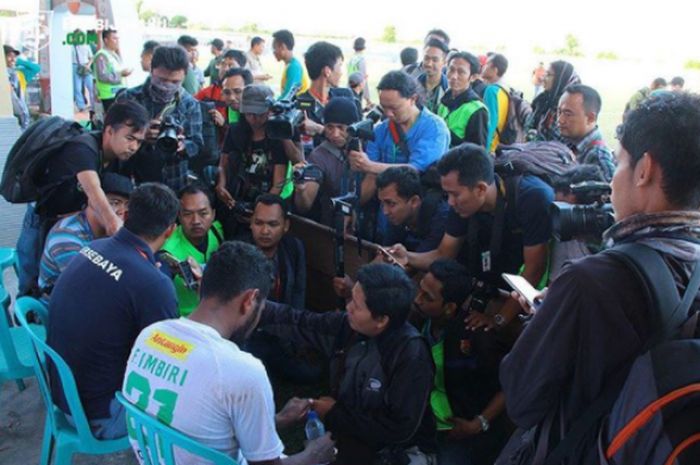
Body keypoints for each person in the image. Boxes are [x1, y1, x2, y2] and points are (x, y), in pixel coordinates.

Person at [497, 90, 700, 465]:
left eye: (621, 162)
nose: (612, 182)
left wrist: (546, 318)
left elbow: (522, 399)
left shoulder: (591, 282)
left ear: (645, 171)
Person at [123, 241, 336, 465]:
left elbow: (201, 426)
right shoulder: (242, 370)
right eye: (261, 308)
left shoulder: (151, 335)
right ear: (249, 300)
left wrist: (278, 420)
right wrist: (312, 455)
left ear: (203, 283)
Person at [258, 263, 437, 464]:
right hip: (350, 430)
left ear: (381, 320)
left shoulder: (410, 355)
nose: (348, 307)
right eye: (351, 298)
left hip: (399, 450)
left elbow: (399, 429)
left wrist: (333, 413)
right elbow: (298, 322)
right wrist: (252, 306)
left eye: (357, 305)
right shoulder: (347, 327)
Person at [48, 183, 180, 439]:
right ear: (171, 230)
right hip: (99, 414)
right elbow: (169, 361)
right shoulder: (154, 284)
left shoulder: (93, 248)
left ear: (126, 215)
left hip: (62, 394)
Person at [390, 143, 554, 330]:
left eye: (454, 195)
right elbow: (444, 253)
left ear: (481, 189)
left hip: (525, 293)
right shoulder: (462, 203)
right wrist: (407, 256)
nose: (450, 202)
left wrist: (499, 319)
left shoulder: (533, 198)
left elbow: (534, 268)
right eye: (447, 194)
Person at [15, 101, 149, 296]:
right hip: (43, 217)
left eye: (139, 141)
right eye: (129, 138)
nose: (134, 147)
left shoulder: (117, 157)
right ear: (109, 131)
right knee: (31, 281)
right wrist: (117, 230)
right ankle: (27, 318)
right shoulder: (83, 148)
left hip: (73, 221)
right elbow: (94, 192)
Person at [415, 260, 510, 465]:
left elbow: (509, 385)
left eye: (427, 297)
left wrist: (478, 424)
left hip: (459, 433)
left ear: (449, 308)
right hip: (425, 422)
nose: (417, 299)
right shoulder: (420, 320)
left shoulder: (476, 338)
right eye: (419, 290)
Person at [348, 70, 450, 205]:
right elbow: (371, 177)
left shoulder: (434, 128)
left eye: (394, 108)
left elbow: (415, 170)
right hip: (387, 209)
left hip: (421, 207)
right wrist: (353, 207)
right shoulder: (381, 130)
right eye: (384, 107)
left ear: (413, 99)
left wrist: (369, 165)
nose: (388, 114)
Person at [215, 84, 302, 237]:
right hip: (238, 195)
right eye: (249, 114)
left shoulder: (280, 133)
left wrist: (260, 210)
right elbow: (223, 162)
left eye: (260, 115)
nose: (254, 119)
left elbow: (279, 182)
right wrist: (221, 185)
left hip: (269, 200)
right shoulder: (235, 131)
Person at [115, 45, 203, 191]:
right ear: (151, 70)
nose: (166, 86)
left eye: (175, 82)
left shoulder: (190, 104)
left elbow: (197, 143)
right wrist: (139, 135)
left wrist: (182, 146)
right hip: (132, 178)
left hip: (173, 181)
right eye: (161, 80)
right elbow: (111, 139)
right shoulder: (128, 98)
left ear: (184, 76)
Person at [38, 173, 133, 299]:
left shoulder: (111, 230)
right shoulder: (66, 235)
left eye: (127, 205)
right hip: (61, 307)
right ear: (93, 201)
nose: (122, 211)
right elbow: (91, 285)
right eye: (115, 203)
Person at [293, 97, 361, 226]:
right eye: (330, 127)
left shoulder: (369, 146)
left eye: (341, 128)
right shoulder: (318, 156)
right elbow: (304, 206)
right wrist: (301, 190)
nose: (335, 134)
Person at [160, 183, 223, 316]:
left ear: (213, 214)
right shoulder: (167, 251)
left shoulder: (217, 231)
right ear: (179, 216)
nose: (196, 221)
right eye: (188, 214)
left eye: (203, 213)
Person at [376, 166, 449, 252]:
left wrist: (404, 256)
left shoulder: (440, 215)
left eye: (391, 204)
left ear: (414, 201)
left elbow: (429, 260)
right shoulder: (397, 216)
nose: (385, 212)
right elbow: (387, 251)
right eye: (382, 203)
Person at [557, 84, 616, 181]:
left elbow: (609, 193)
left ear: (590, 118)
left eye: (568, 114)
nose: (560, 120)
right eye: (559, 112)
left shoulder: (598, 157)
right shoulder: (566, 142)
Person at [297, 41, 345, 148]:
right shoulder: (298, 106)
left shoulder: (344, 99)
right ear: (327, 71)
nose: (341, 72)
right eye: (340, 66)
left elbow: (351, 140)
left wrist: (319, 129)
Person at [438, 52, 489, 148]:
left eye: (461, 72)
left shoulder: (477, 109)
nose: (453, 76)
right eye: (451, 69)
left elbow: (477, 152)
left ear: (473, 77)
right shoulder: (444, 101)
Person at [94, 29, 132, 112]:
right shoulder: (101, 55)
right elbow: (103, 76)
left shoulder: (114, 54)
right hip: (109, 96)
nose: (117, 41)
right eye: (114, 38)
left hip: (118, 93)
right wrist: (121, 74)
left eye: (118, 38)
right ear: (106, 40)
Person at [481, 53, 510, 152]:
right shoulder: (505, 89)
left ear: (495, 70)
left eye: (487, 64)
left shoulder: (491, 90)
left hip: (490, 147)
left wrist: (484, 150)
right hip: (499, 144)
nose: (483, 67)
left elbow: (490, 122)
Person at [272, 29, 310, 97]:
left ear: (282, 47)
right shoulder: (290, 65)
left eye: (274, 48)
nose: (273, 52)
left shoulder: (294, 67)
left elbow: (288, 96)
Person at [418, 38, 450, 113]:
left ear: (444, 62)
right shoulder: (413, 86)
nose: (429, 64)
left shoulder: (449, 89)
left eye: (435, 60)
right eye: (426, 58)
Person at [4, 44, 29, 129]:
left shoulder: (15, 74)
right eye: (9, 56)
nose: (13, 59)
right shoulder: (5, 76)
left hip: (20, 117)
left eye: (14, 56)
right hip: (14, 117)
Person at [71, 30, 95, 112]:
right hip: (75, 66)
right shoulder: (71, 46)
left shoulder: (86, 45)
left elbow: (91, 57)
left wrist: (88, 65)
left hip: (86, 66)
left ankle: (93, 105)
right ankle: (81, 106)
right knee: (77, 88)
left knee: (91, 87)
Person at [347, 37, 371, 108]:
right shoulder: (361, 60)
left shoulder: (351, 59)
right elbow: (363, 79)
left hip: (350, 87)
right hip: (358, 88)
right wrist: (368, 99)